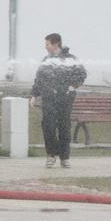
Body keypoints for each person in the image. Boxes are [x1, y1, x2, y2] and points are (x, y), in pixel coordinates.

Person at [29, 33, 86, 168]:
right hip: (48, 98)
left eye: (47, 44)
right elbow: (39, 79)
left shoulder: (71, 59)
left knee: (64, 127)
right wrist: (34, 95)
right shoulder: (46, 60)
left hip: (65, 98)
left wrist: (72, 86)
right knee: (48, 127)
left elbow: (82, 74)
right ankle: (51, 155)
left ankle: (64, 158)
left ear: (55, 44)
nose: (45, 47)